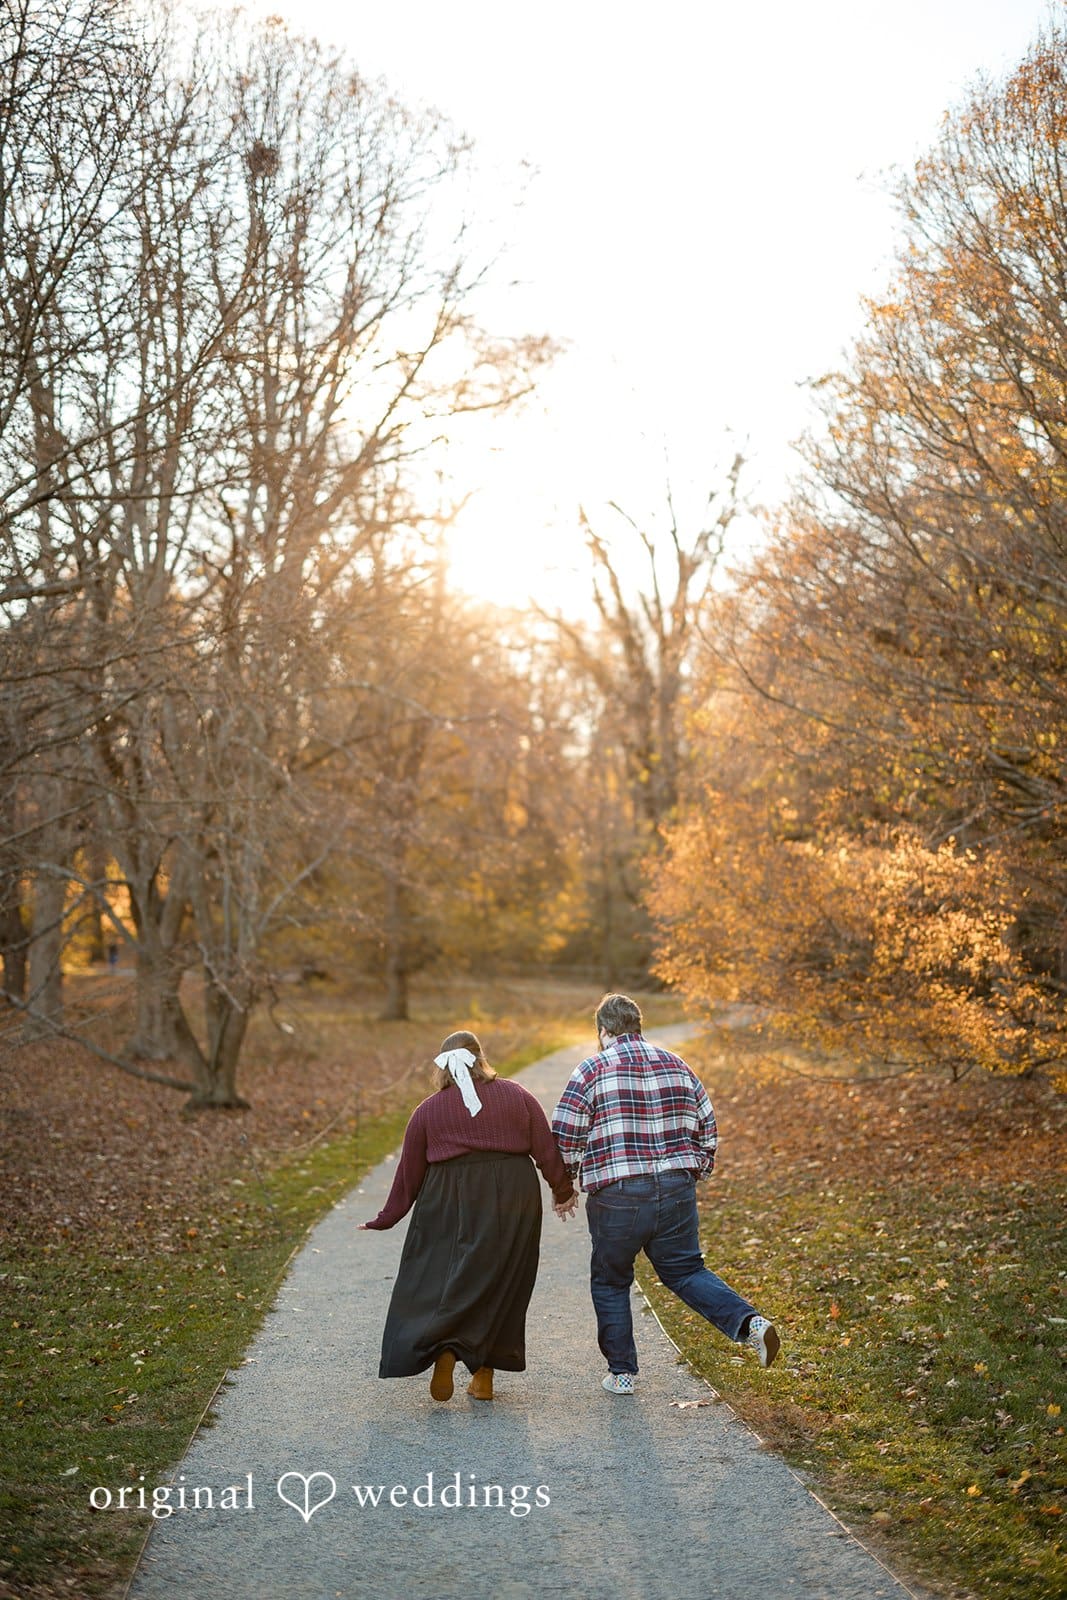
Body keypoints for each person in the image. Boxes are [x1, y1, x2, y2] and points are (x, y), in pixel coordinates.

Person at [550, 993, 780, 1395]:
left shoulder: (591, 1069)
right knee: (686, 1271)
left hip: (618, 1195)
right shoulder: (677, 1064)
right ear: (638, 1026)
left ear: (603, 1031)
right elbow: (707, 1124)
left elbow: (566, 1133)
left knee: (611, 1281)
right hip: (675, 1187)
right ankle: (751, 1324)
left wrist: (565, 1185)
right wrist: (697, 1171)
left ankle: (622, 1374)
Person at [359, 1029, 576, 1403]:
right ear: (481, 1059)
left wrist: (387, 1217)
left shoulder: (428, 1110)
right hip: (512, 1195)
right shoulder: (517, 1095)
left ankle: (445, 1350)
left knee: (443, 1278)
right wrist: (563, 1190)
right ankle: (484, 1375)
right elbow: (544, 1146)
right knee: (502, 1279)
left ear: (443, 1066)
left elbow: (409, 1174)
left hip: (448, 1199)